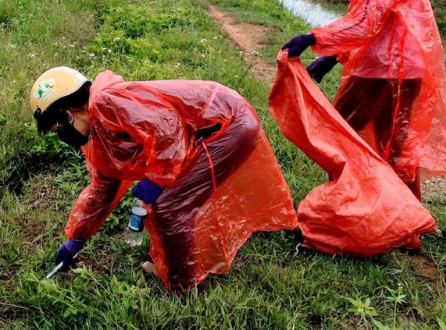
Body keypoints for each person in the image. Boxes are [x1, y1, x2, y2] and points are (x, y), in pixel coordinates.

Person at [29, 67, 297, 293]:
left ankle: (181, 285)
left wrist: (159, 179)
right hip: (206, 132)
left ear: (67, 113)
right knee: (169, 201)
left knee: (170, 203)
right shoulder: (97, 131)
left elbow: (167, 128)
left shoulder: (108, 102)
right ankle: (171, 267)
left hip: (226, 125)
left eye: (58, 129)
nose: (62, 136)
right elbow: (103, 188)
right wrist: (76, 239)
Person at [281, 0, 446, 200]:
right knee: (393, 146)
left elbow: (364, 24)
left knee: (340, 137)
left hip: (382, 72)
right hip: (406, 70)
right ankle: (402, 215)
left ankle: (349, 205)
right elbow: (386, 29)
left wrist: (312, 37)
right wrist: (333, 56)